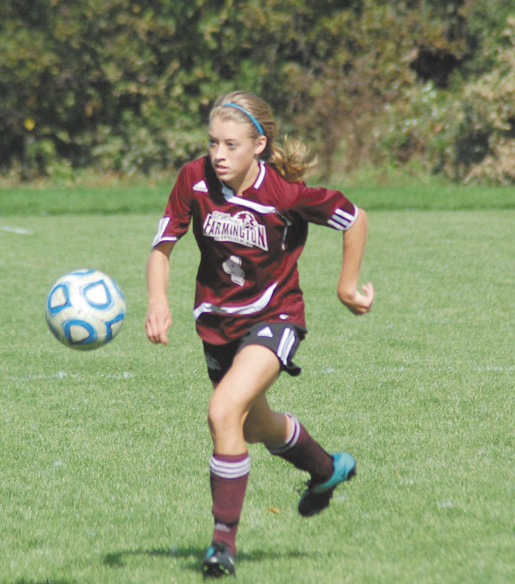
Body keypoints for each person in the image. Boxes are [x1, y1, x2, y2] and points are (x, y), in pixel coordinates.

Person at [145, 90, 374, 577]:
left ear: (259, 145)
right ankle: (325, 468)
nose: (219, 154)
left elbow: (354, 218)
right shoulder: (194, 179)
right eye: (213, 143)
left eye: (231, 144)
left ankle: (222, 544)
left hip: (275, 315)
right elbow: (162, 245)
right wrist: (158, 300)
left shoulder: (284, 193)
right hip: (217, 323)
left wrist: (347, 287)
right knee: (250, 426)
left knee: (222, 411)